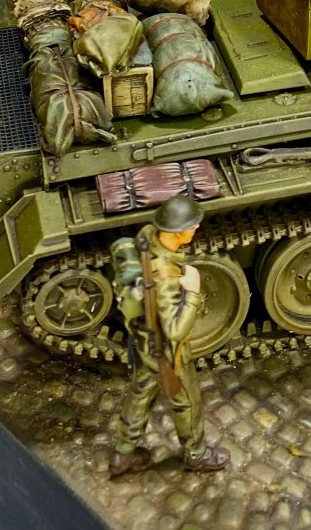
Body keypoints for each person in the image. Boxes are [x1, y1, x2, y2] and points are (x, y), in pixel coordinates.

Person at [109, 195, 229, 477]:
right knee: (187, 401)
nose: (196, 228)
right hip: (165, 349)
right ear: (176, 232)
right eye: (192, 225)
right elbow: (175, 330)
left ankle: (123, 454)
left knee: (142, 392)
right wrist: (193, 292)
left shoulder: (148, 235)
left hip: (143, 340)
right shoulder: (166, 277)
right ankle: (196, 455)